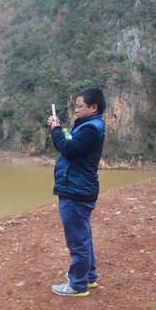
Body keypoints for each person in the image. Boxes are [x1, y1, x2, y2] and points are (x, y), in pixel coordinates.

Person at [47, 87, 106, 297]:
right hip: (78, 188)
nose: (77, 110)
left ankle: (78, 284)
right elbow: (70, 142)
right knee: (84, 237)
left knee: (77, 240)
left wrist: (55, 131)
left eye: (80, 106)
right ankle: (88, 277)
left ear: (93, 107)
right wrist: (60, 129)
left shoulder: (90, 128)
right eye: (76, 106)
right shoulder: (87, 126)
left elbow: (69, 151)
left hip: (76, 191)